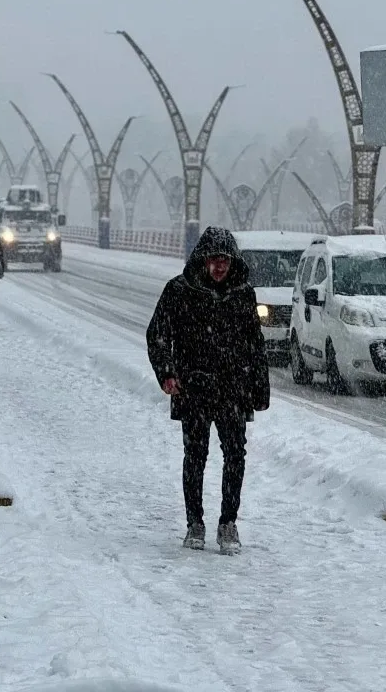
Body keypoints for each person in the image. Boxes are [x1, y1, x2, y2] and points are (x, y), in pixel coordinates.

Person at [145, 226, 269, 556]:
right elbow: (157, 335)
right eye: (214, 259)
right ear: (203, 259)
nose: (219, 266)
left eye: (224, 259)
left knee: (235, 455)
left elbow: (255, 345)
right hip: (194, 388)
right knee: (195, 456)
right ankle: (194, 523)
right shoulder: (179, 290)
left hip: (233, 388)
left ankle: (228, 522)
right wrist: (167, 374)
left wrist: (259, 388)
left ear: (232, 261)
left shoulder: (243, 294)